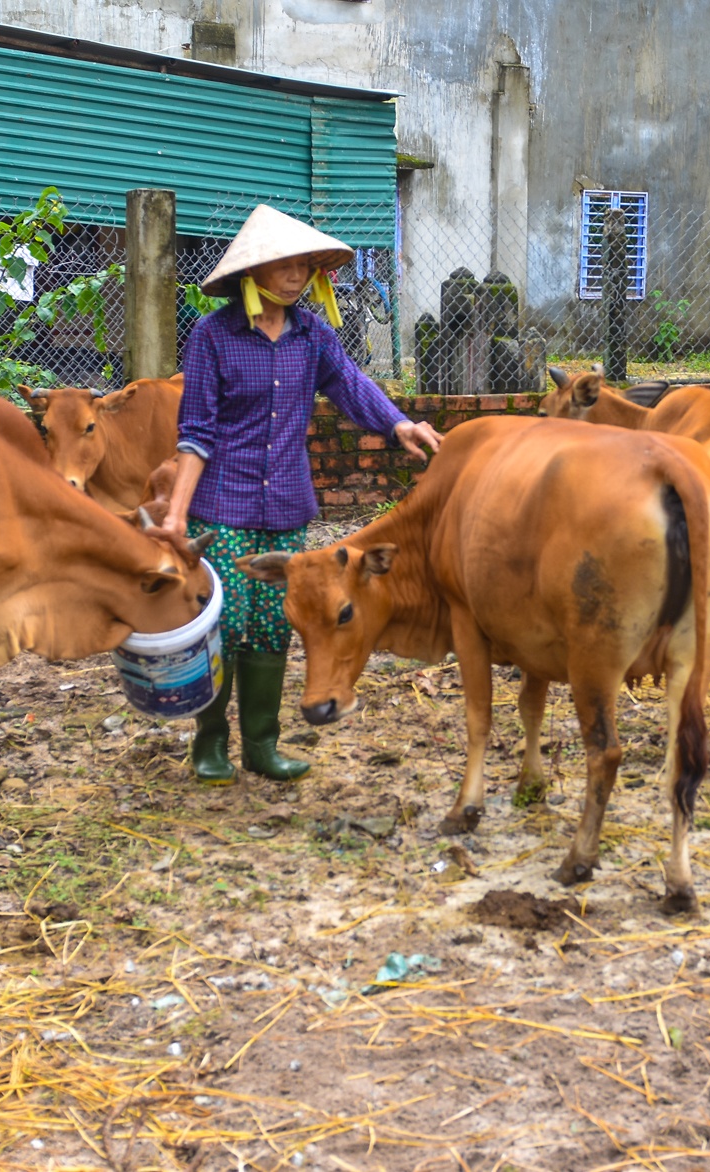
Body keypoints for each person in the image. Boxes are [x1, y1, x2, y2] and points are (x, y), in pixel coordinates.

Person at [159, 204, 442, 783]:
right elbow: (196, 432)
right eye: (282, 264)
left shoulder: (313, 335)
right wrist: (178, 514)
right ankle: (211, 743)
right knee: (225, 623)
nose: (294, 274)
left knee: (271, 625)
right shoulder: (214, 336)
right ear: (252, 271)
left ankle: (263, 745)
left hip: (287, 505)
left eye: (303, 264)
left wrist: (398, 425)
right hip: (224, 505)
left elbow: (350, 386)